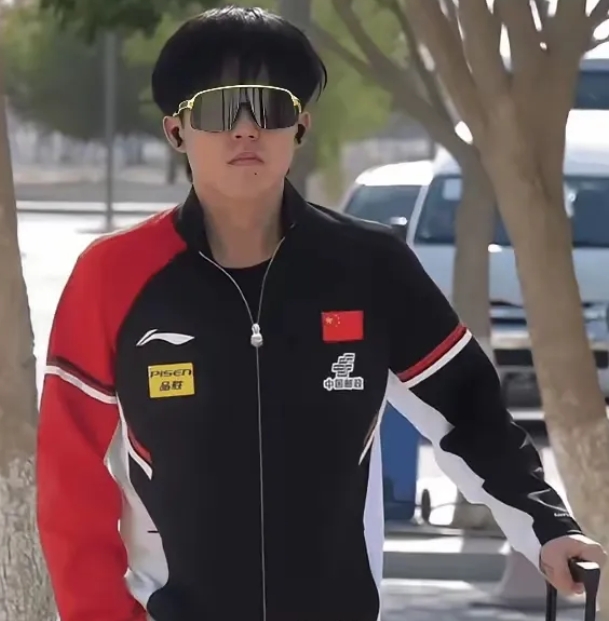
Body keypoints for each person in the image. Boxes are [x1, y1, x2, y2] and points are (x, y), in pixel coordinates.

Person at [37, 6, 605, 621]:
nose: (246, 130)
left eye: (271, 108)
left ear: (301, 126)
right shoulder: (113, 276)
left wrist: (548, 527)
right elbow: (70, 476)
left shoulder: (371, 267)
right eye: (220, 109)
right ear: (177, 131)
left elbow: (471, 415)